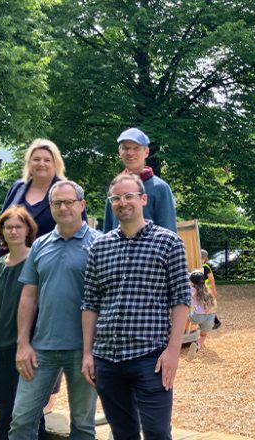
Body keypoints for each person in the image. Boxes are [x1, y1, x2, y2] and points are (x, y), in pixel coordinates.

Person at [83, 173, 190, 440]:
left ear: (143, 199)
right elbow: (90, 302)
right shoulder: (99, 247)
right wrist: (88, 353)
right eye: (116, 198)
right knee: (123, 433)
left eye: (129, 196)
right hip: (107, 358)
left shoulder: (168, 242)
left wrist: (173, 351)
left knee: (156, 432)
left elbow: (181, 299)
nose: (122, 202)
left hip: (150, 357)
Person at [9, 180, 101, 440]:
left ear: (81, 205)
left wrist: (94, 349)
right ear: (50, 207)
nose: (63, 207)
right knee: (21, 421)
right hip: (41, 349)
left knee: (83, 425)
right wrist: (22, 343)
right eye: (57, 203)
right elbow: (28, 296)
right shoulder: (39, 245)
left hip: (83, 350)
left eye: (69, 202)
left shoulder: (101, 244)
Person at [0, 207, 47, 440]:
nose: (13, 231)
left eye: (18, 226)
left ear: (28, 229)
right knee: (3, 413)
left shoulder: (37, 260)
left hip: (23, 348)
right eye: (8, 227)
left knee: (28, 414)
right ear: (1, 231)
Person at [0, 138, 87, 257]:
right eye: (36, 159)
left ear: (56, 163)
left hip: (51, 263)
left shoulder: (67, 191)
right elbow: (0, 227)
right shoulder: (17, 188)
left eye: (47, 160)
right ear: (29, 163)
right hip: (12, 263)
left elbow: (82, 231)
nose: (41, 164)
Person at [102, 127, 177, 233]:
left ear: (146, 152)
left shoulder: (160, 188)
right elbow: (108, 228)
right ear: (120, 151)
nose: (130, 153)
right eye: (126, 148)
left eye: (136, 148)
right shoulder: (115, 187)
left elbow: (169, 232)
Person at [185, 270, 217, 360]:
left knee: (188, 318)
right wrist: (190, 275)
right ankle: (197, 346)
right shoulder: (207, 289)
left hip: (199, 315)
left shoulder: (192, 290)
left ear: (191, 282)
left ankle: (184, 333)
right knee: (203, 335)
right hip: (211, 316)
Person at [201, 249, 221, 330]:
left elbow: (211, 279)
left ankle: (215, 322)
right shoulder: (200, 266)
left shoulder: (205, 267)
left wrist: (214, 290)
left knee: (207, 306)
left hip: (206, 290)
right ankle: (212, 322)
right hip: (201, 290)